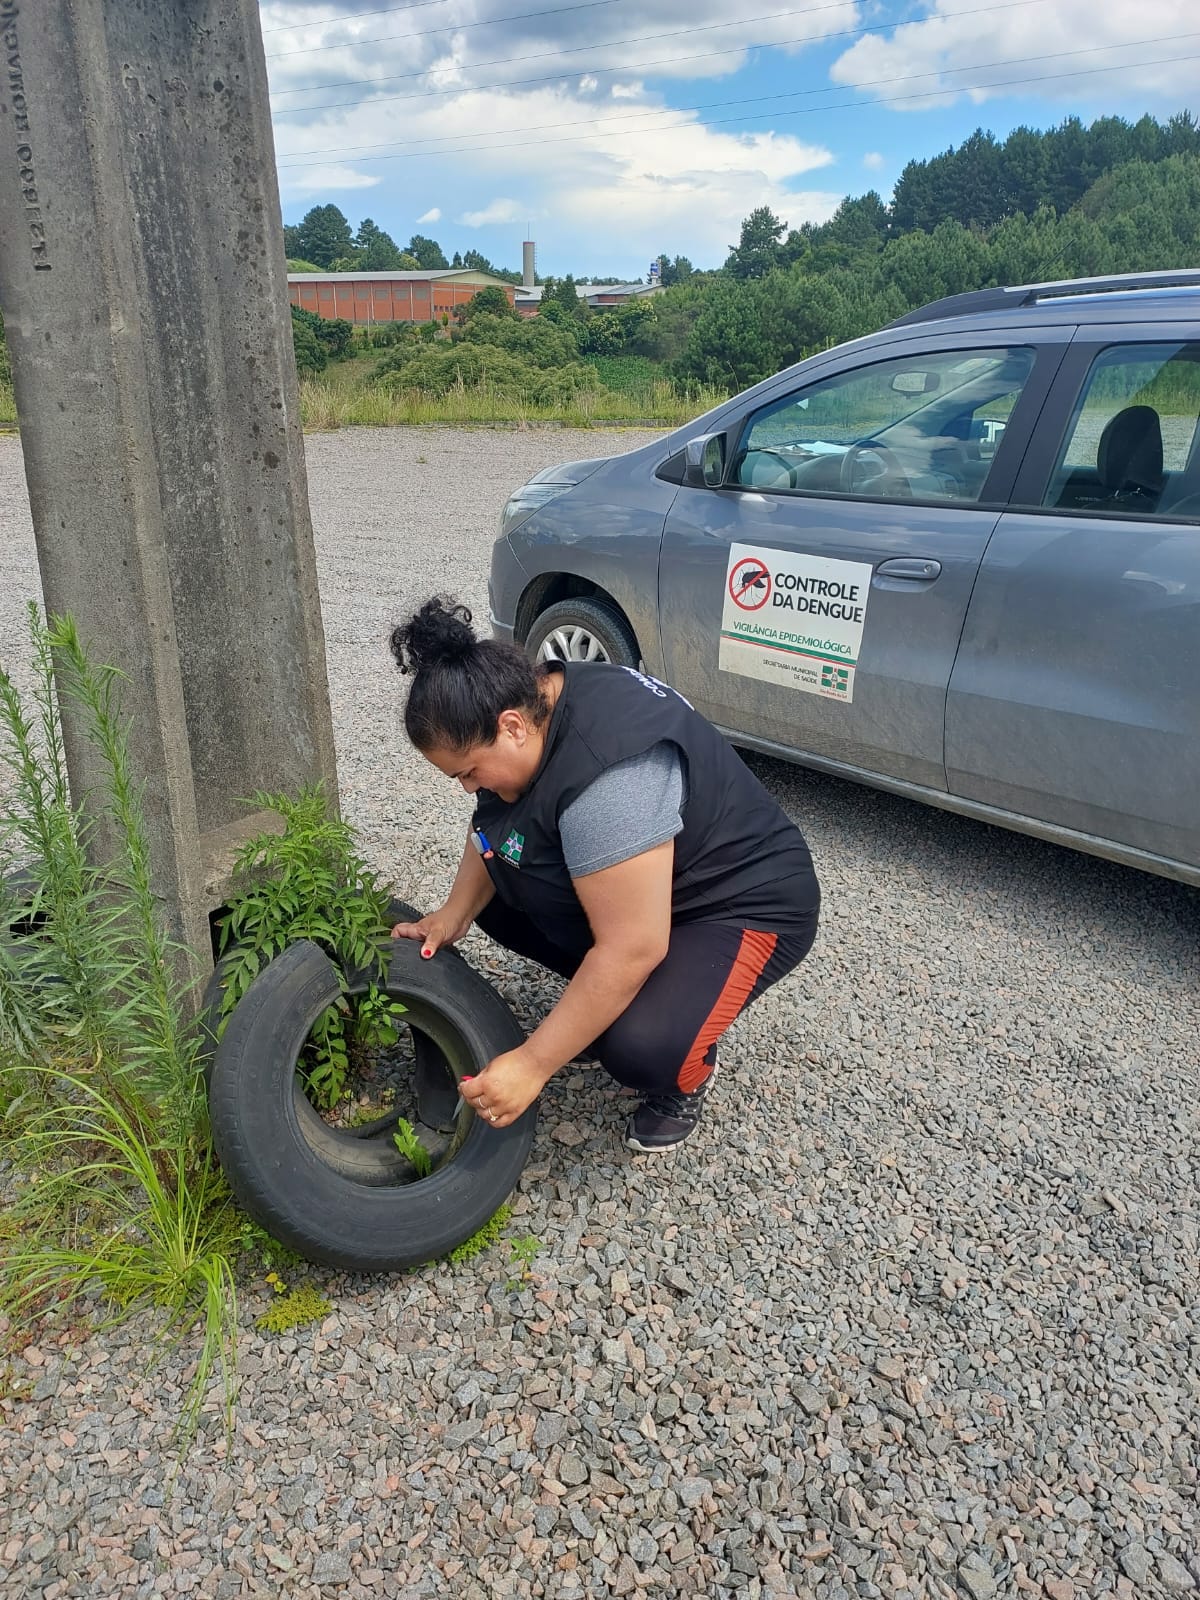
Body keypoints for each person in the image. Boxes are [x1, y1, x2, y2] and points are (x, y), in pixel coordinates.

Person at [389, 597, 820, 1153]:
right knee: (496, 894)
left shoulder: (608, 777)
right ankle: (609, 1005)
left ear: (512, 726)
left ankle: (685, 1073)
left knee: (640, 1048)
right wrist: (453, 914)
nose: (467, 788)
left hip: (738, 901)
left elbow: (633, 947)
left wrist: (533, 1063)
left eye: (469, 771)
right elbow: (495, 825)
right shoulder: (536, 692)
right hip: (645, 880)